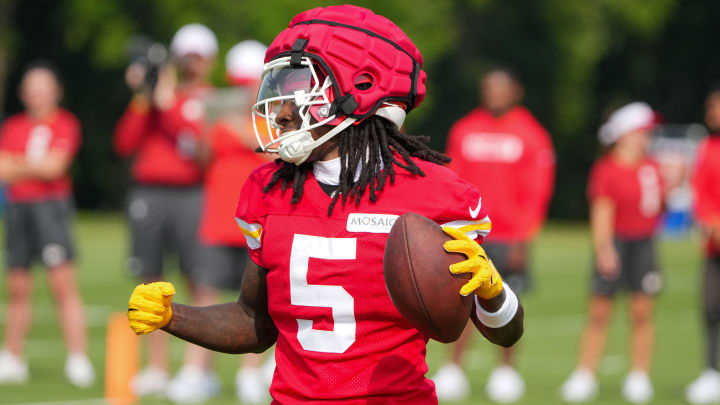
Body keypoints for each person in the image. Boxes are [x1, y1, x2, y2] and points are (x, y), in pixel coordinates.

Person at [125, 5, 524, 404]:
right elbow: (254, 320)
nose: (281, 109)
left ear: (362, 91)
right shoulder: (270, 190)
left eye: (300, 88)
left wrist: (493, 294)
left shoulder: (434, 195)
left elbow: (506, 331)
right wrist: (173, 317)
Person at [113, 23, 218, 401]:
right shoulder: (155, 99)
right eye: (185, 57)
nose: (191, 64)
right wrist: (144, 96)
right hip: (150, 195)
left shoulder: (207, 98)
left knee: (198, 280)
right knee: (150, 282)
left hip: (191, 194)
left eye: (198, 57)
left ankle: (197, 368)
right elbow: (124, 142)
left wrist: (165, 101)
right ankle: (157, 367)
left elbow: (195, 142)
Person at [441, 67, 555, 403]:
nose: (494, 93)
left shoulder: (531, 134)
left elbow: (537, 191)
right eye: (489, 87)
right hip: (469, 234)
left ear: (516, 91)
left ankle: (505, 371)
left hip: (509, 236)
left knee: (505, 304)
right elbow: (452, 180)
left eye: (501, 88)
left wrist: (525, 236)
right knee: (462, 302)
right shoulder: (465, 129)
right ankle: (454, 369)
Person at [560, 102, 667, 404]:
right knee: (599, 313)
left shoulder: (653, 168)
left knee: (642, 313)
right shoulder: (607, 168)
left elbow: (657, 209)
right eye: (640, 132)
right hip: (616, 243)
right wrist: (605, 249)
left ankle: (639, 375)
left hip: (644, 245)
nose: (646, 138)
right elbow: (602, 212)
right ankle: (585, 374)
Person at [0, 61, 95, 387]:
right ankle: (11, 356)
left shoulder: (65, 123)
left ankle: (78, 357)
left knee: (62, 284)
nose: (36, 92)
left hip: (51, 209)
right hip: (18, 208)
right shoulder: (13, 126)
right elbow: (3, 169)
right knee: (18, 287)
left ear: (56, 90)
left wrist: (19, 164)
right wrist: (33, 165)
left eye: (43, 85)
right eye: (31, 85)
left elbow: (55, 168)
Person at [194, 40, 275, 404]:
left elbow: (267, 147)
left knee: (257, 301)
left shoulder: (274, 121)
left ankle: (249, 374)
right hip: (218, 217)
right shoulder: (219, 117)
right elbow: (201, 156)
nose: (247, 90)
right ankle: (200, 372)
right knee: (206, 294)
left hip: (257, 220)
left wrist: (238, 128)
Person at [686, 85, 720, 404]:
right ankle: (711, 372)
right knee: (711, 309)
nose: (711, 113)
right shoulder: (708, 149)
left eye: (716, 106)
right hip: (714, 248)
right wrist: (711, 222)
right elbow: (701, 194)